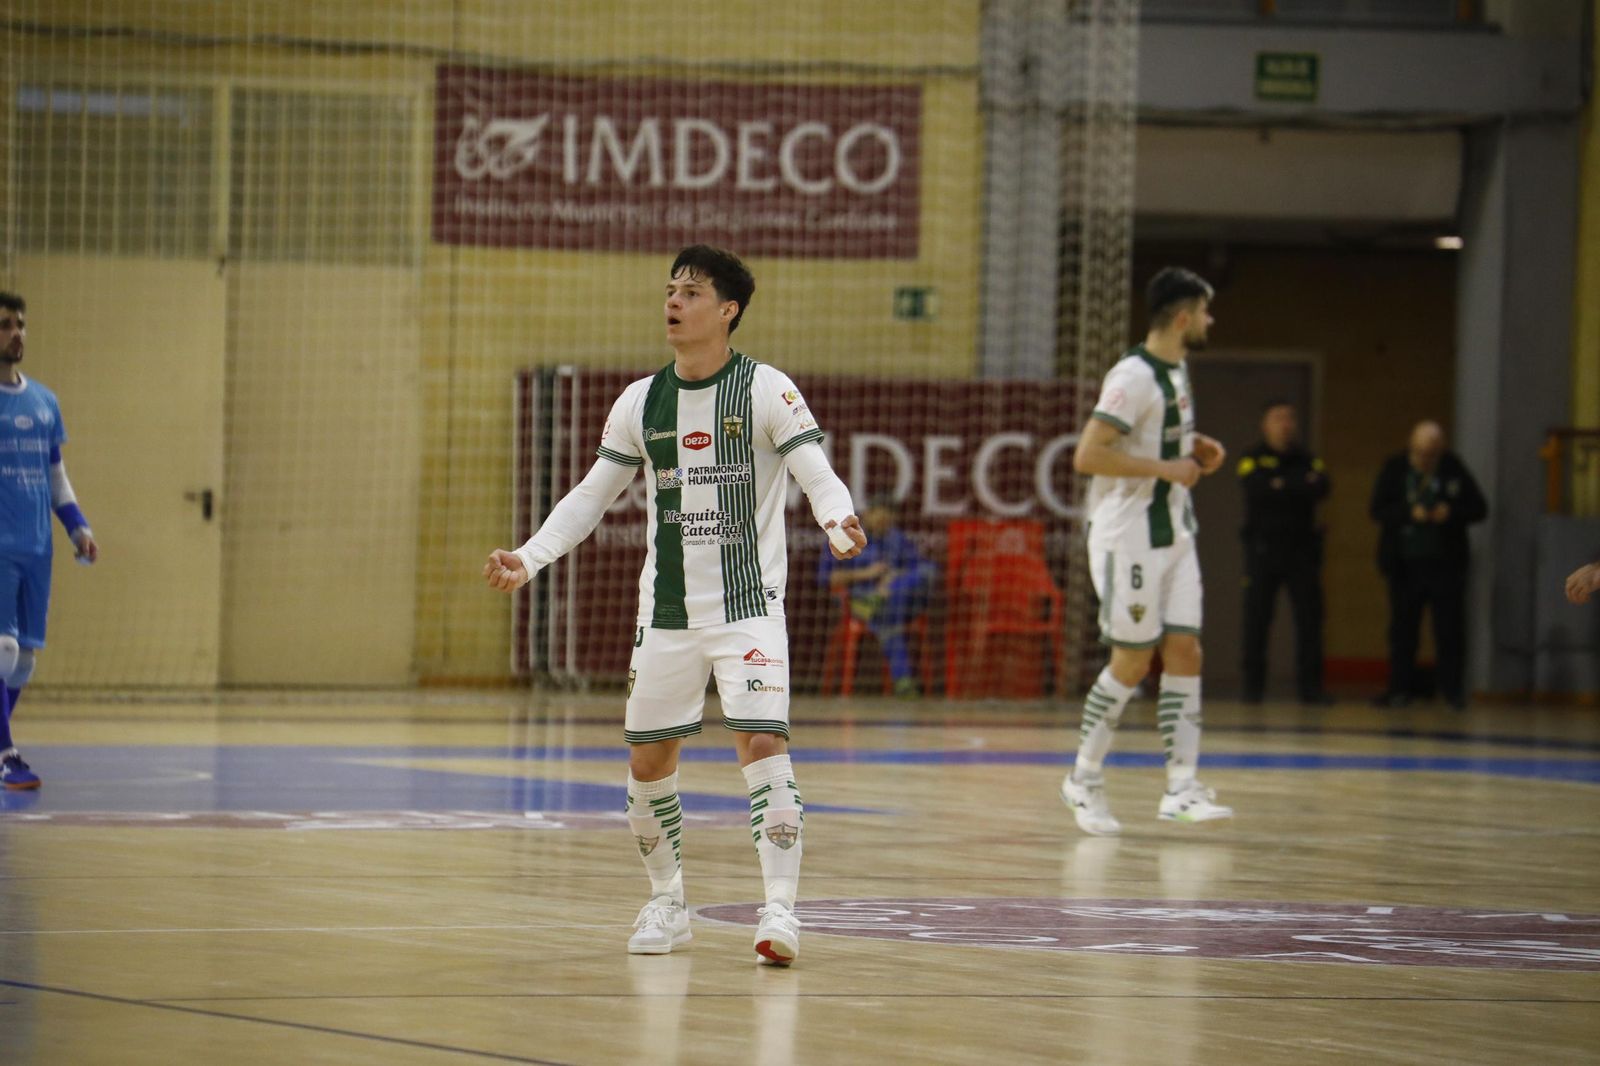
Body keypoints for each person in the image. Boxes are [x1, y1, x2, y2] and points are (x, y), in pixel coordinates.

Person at [484, 246, 863, 966]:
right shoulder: (640, 400)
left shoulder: (766, 389)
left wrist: (837, 517)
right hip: (665, 612)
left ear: (728, 310)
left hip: (749, 609)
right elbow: (591, 497)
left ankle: (780, 910)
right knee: (648, 761)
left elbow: (816, 472)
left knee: (763, 744)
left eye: (691, 291)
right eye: (670, 289)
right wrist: (529, 558)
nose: (674, 301)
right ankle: (667, 902)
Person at [1059, 267, 1233, 837]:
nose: (1209, 321)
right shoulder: (1132, 376)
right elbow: (1088, 455)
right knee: (1132, 661)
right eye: (1204, 312)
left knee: (1185, 650)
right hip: (1128, 535)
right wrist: (1166, 466)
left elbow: (1151, 439)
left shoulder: (1176, 369)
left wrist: (1191, 448)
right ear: (1183, 318)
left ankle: (1181, 788)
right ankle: (1083, 777)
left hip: (1175, 530)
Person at [0, 291, 99, 791]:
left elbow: (55, 475)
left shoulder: (44, 402)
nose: (15, 333)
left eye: (20, 324)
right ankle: (5, 752)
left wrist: (78, 526)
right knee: (2, 648)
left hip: (38, 547)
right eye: (4, 325)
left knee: (24, 661)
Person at [1368, 420, 1487, 709]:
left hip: (1445, 565)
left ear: (1441, 449)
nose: (1425, 459)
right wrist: (1410, 513)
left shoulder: (1452, 468)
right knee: (1402, 630)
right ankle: (1399, 689)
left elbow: (1479, 508)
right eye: (1421, 453)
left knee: (1449, 630)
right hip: (1405, 565)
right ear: (1411, 446)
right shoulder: (1395, 467)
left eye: (1432, 454)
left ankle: (1451, 691)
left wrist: (1451, 513)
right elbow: (1377, 509)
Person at [1236, 400, 1332, 705]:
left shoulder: (1307, 459)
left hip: (1302, 551)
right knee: (1257, 618)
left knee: (1310, 619)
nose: (1285, 424)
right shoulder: (1252, 458)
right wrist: (1296, 486)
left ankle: (1311, 688)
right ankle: (1253, 688)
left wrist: (1281, 485)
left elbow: (1322, 487)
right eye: (1278, 418)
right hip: (1263, 551)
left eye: (1289, 418)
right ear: (1265, 424)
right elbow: (1257, 489)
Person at [816, 497, 935, 696]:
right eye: (879, 519)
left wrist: (892, 579)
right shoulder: (844, 536)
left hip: (892, 600)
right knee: (890, 616)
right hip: (857, 601)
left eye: (887, 521)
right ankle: (903, 681)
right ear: (867, 515)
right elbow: (828, 578)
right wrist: (866, 574)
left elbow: (919, 569)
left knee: (926, 572)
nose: (883, 524)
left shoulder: (896, 539)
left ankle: (881, 600)